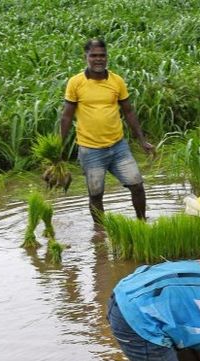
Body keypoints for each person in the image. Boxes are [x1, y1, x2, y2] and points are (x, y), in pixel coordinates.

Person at [60, 38, 155, 223]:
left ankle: (142, 224)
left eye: (102, 55)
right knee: (96, 195)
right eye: (93, 55)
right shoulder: (75, 83)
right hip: (90, 150)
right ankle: (100, 233)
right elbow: (66, 117)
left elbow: (128, 112)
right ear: (85, 57)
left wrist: (142, 140)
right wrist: (58, 146)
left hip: (118, 147)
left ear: (107, 57)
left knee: (137, 185)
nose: (98, 59)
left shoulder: (116, 81)